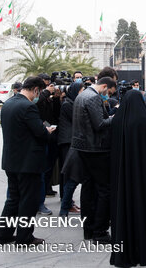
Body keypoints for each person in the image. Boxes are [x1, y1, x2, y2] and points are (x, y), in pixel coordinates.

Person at [0, 76, 56, 245]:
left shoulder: (8, 104)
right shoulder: (28, 107)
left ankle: (3, 235)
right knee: (28, 200)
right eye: (40, 92)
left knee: (13, 199)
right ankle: (24, 237)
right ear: (36, 89)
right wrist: (47, 131)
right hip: (28, 162)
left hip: (11, 160)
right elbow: (40, 133)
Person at [110, 90, 146, 267]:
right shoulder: (143, 122)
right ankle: (145, 249)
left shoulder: (118, 119)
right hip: (142, 178)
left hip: (122, 177)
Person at [71, 76, 117, 242]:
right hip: (95, 150)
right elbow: (100, 124)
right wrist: (114, 118)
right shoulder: (93, 97)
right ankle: (100, 231)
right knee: (104, 190)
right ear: (105, 86)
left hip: (83, 148)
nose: (108, 96)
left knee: (88, 189)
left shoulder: (82, 95)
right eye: (109, 92)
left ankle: (89, 229)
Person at [57, 82, 83, 216]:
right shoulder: (68, 104)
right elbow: (77, 119)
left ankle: (66, 205)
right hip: (68, 142)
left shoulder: (71, 102)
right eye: (81, 90)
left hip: (71, 141)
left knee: (70, 175)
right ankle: (65, 206)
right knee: (70, 174)